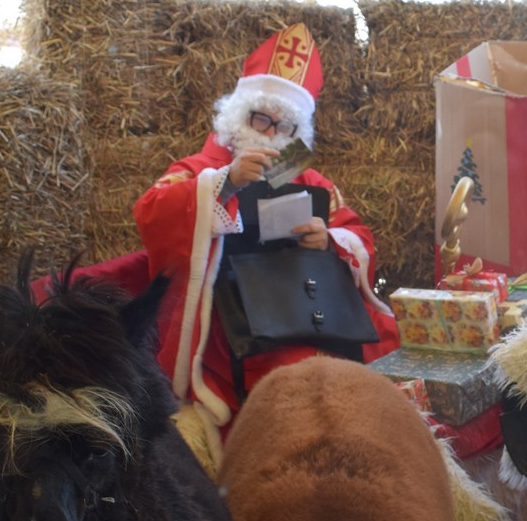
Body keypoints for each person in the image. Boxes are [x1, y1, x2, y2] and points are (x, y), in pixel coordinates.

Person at [134, 23, 398, 448]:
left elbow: (358, 234)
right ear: (240, 115)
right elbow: (151, 212)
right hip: (236, 316)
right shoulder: (200, 170)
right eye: (263, 119)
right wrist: (226, 182)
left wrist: (329, 240)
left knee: (378, 352)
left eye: (286, 126)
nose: (272, 135)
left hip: (307, 308)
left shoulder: (309, 179)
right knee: (295, 377)